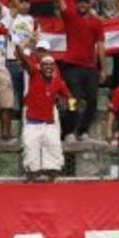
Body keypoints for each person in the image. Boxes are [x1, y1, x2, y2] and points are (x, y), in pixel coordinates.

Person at [54, 0, 105, 141]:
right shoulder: (70, 16)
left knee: (92, 100)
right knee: (72, 100)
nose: (82, 5)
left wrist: (102, 68)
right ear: (76, 4)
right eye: (80, 2)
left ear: (89, 4)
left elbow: (101, 45)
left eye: (85, 2)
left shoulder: (97, 22)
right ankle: (68, 131)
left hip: (90, 67)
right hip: (72, 66)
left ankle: (82, 131)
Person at [17, 43, 71, 182]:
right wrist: (18, 48)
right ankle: (31, 177)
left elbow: (69, 97)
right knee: (30, 148)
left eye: (50, 66)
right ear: (40, 68)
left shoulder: (58, 82)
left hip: (49, 123)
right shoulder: (34, 74)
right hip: (32, 122)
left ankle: (52, 177)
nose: (48, 68)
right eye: (45, 65)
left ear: (54, 68)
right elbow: (24, 61)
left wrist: (73, 107)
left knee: (53, 147)